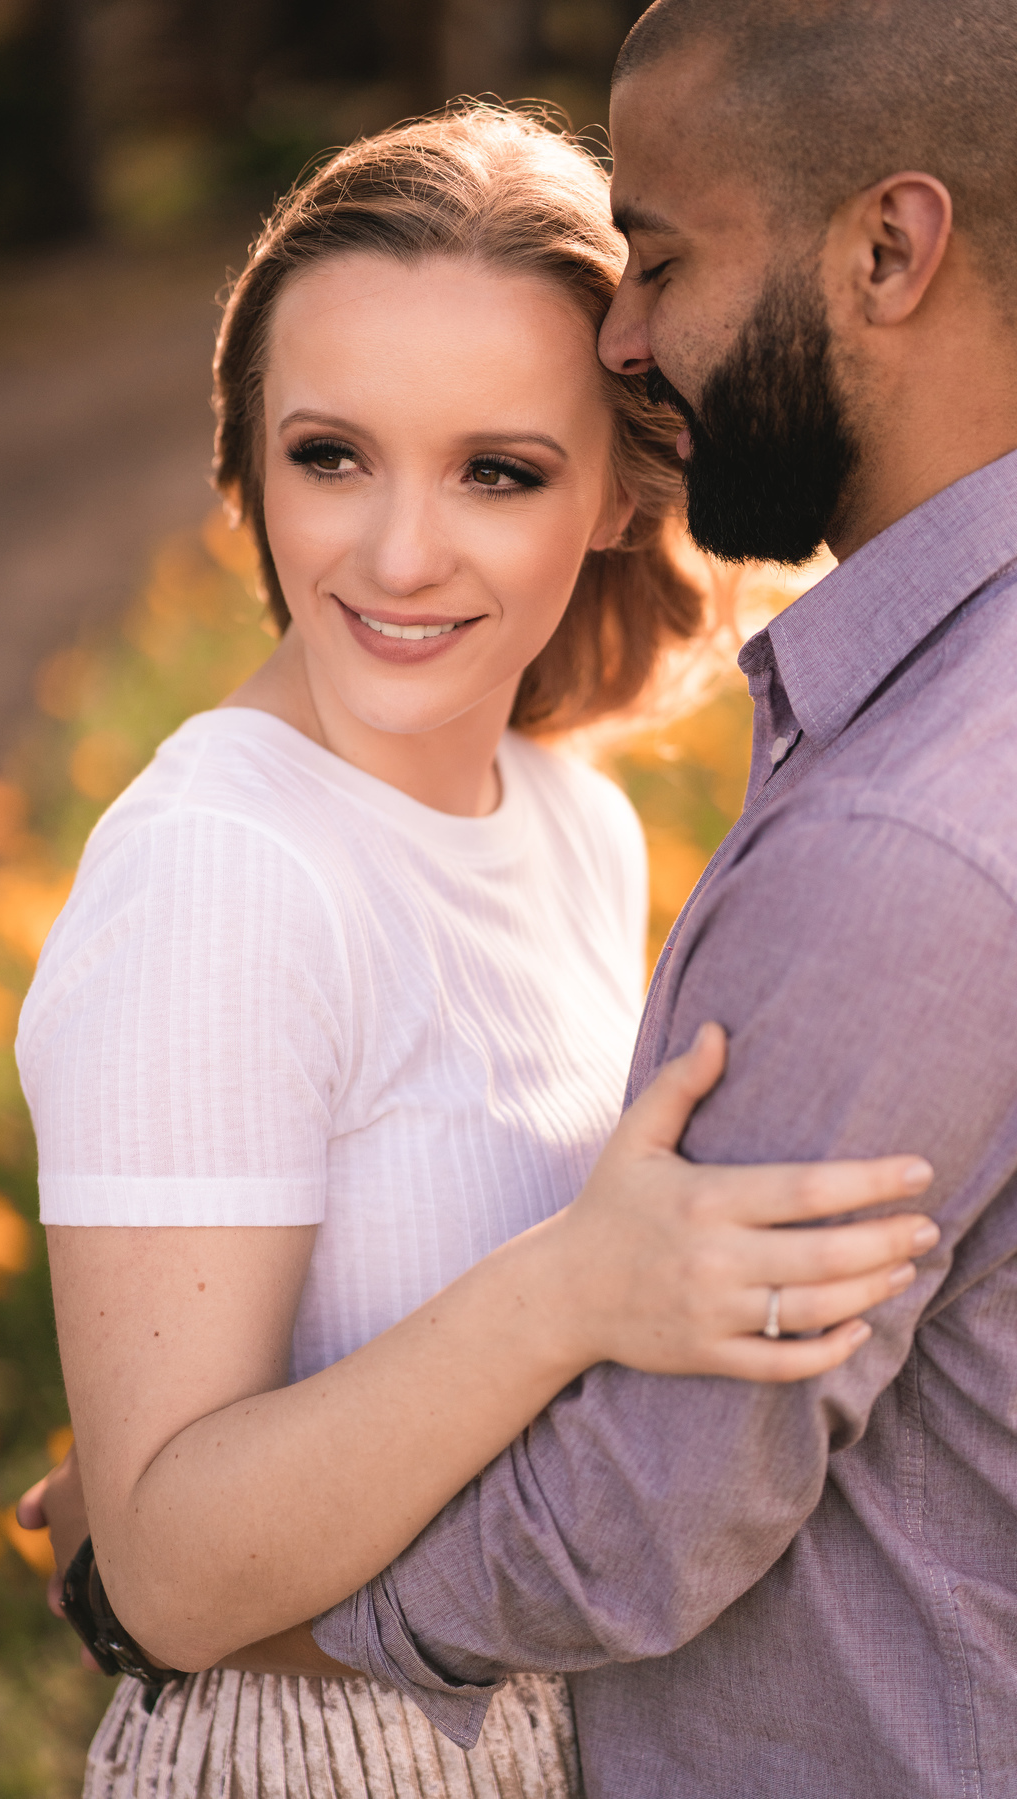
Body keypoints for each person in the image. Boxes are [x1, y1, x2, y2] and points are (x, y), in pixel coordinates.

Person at [16, 107, 937, 1797]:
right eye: (331, 455)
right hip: (318, 1758)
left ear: (609, 495)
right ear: (250, 458)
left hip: (545, 1725)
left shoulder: (570, 820)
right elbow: (159, 1575)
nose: (398, 555)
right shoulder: (219, 870)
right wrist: (569, 1288)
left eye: (496, 471)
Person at [285, 7, 1017, 1798]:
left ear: (887, 250)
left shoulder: (911, 846)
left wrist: (197, 1578)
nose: (620, 338)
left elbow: (634, 1524)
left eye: (662, 259)